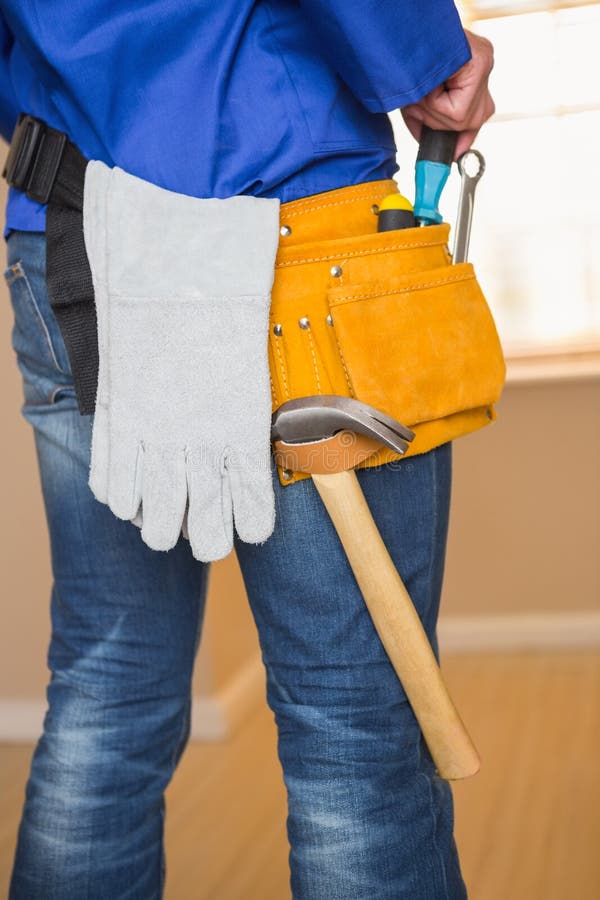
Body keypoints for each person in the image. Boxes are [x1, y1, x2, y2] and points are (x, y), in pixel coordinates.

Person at [0, 2, 494, 898]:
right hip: (295, 234)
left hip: (71, 228)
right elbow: (403, 53)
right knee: (354, 727)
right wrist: (430, 61)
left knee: (107, 692)